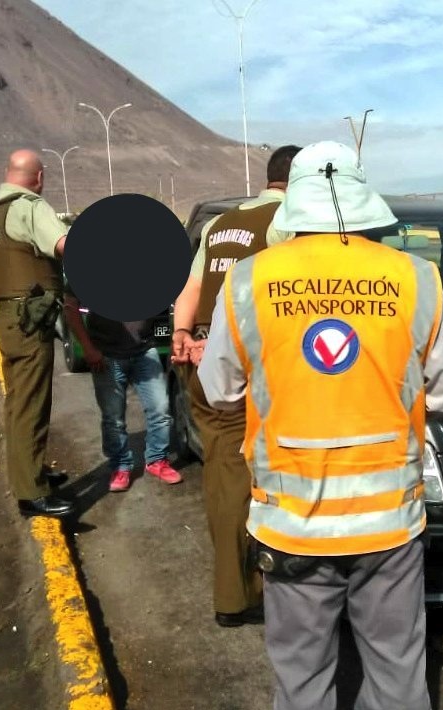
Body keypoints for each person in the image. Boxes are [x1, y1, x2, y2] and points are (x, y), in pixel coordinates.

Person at [198, 141, 443, 710]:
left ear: (293, 203)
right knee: (398, 674)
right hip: (389, 527)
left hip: (291, 527)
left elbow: (219, 389)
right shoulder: (416, 277)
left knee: (302, 682)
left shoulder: (248, 281)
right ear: (359, 197)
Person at [171, 144, 301, 627]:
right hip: (252, 367)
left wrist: (183, 335)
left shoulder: (220, 224)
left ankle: (234, 591)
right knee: (261, 480)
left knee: (223, 476)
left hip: (204, 358)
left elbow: (192, 286)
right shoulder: (287, 221)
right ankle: (260, 592)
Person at [0, 149, 75, 519]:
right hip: (30, 319)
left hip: (4, 315)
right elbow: (64, 245)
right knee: (32, 403)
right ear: (40, 176)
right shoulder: (28, 206)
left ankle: (29, 472)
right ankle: (32, 493)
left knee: (18, 401)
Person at [63, 287, 182, 492]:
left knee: (160, 408)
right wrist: (88, 348)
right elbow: (70, 307)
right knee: (113, 417)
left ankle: (157, 460)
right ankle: (120, 466)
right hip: (106, 353)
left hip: (145, 349)